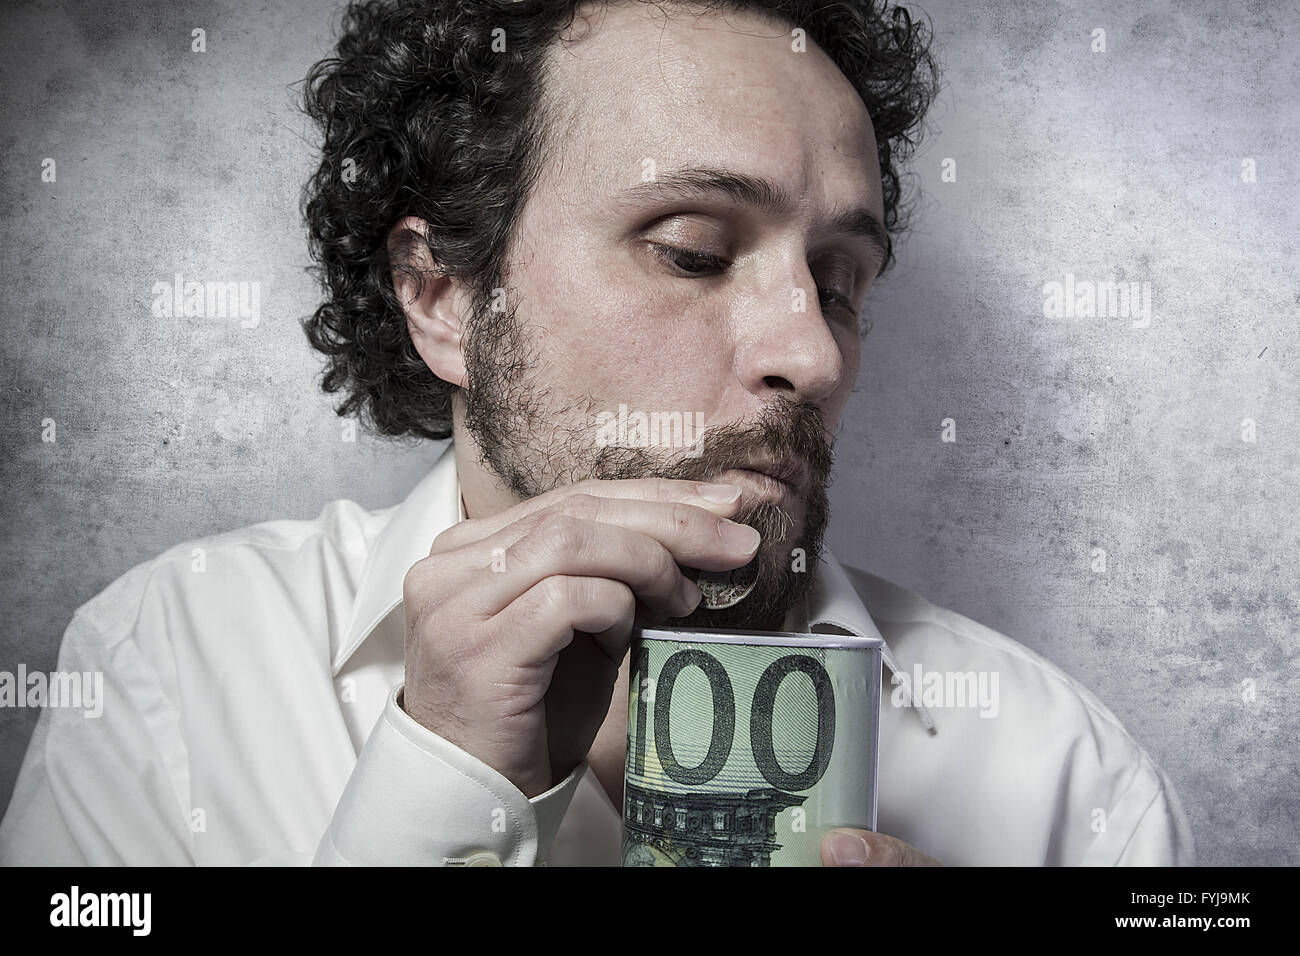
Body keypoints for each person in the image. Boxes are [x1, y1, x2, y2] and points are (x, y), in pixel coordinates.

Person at [0, 0, 1194, 866]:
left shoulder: (1069, 783)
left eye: (837, 280)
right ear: (444, 297)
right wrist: (436, 788)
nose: (816, 356)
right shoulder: (174, 671)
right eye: (692, 249)